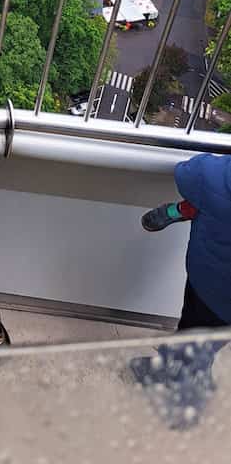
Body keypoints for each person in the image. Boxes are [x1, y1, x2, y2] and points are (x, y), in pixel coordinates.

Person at [130, 151, 231, 428]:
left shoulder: (215, 176)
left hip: (210, 285)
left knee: (195, 335)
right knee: (206, 338)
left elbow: (186, 170)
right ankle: (178, 366)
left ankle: (187, 405)